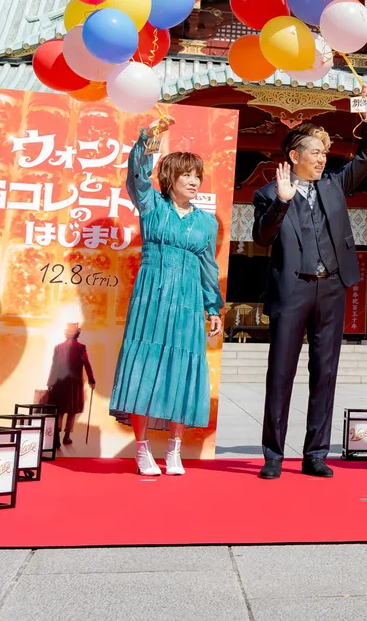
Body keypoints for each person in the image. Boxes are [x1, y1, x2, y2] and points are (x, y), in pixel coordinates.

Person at [253, 89, 367, 480]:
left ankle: (315, 454)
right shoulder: (269, 193)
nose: (323, 158)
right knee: (281, 372)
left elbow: (366, 156)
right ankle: (273, 455)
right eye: (315, 152)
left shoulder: (334, 185)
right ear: (294, 156)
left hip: (331, 288)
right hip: (292, 288)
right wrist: (283, 202)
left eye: (325, 153)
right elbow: (262, 236)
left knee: (325, 372)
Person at [109, 115, 224, 476]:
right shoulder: (151, 206)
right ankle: (142, 449)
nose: (193, 181)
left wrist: (213, 307)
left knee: (183, 369)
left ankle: (174, 449)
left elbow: (208, 267)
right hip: (152, 297)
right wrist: (148, 141)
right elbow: (136, 178)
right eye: (187, 175)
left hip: (189, 301)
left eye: (197, 176)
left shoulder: (207, 223)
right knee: (143, 366)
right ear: (169, 178)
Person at [45, 322, 95, 446]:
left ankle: (56, 434)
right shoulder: (81, 347)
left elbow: (54, 366)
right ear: (78, 333)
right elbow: (87, 364)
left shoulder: (58, 347)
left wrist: (50, 382)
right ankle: (67, 436)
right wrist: (91, 379)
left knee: (60, 409)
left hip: (60, 383)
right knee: (71, 411)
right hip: (74, 384)